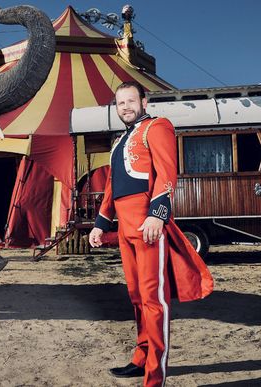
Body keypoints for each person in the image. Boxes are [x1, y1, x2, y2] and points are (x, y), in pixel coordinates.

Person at [89, 81, 214, 387]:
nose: (126, 107)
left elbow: (167, 171)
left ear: (144, 102)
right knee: (135, 297)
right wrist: (101, 223)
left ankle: (154, 377)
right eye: (120, 103)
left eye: (131, 101)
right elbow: (111, 186)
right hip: (124, 227)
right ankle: (140, 359)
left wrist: (157, 214)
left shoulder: (157, 126)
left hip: (147, 223)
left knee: (153, 299)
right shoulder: (119, 141)